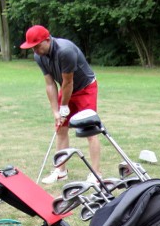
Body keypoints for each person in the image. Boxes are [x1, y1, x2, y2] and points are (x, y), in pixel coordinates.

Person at [20, 25, 100, 184]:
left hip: (85, 88)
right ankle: (61, 171)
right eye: (32, 48)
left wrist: (64, 106)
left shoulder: (65, 51)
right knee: (61, 128)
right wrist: (56, 111)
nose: (35, 51)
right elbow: (50, 84)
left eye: (37, 46)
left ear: (47, 40)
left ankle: (96, 175)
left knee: (90, 130)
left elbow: (68, 81)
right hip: (66, 88)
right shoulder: (39, 56)